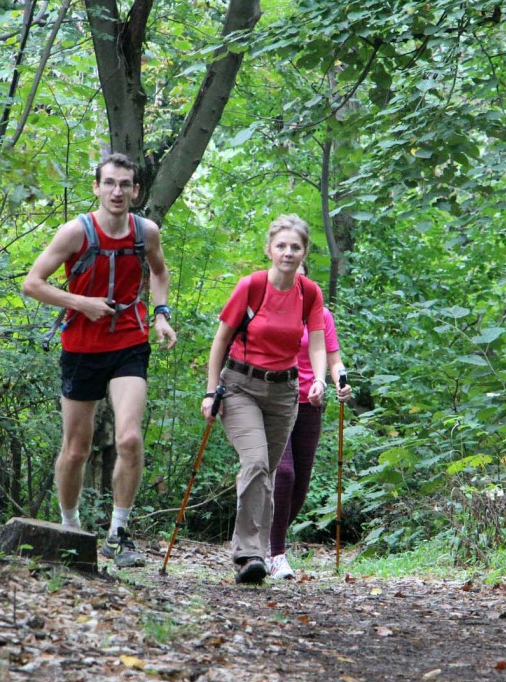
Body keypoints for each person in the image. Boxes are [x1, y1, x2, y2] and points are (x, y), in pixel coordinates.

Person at [23, 153, 177, 567]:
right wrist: (81, 302)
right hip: (81, 348)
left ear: (136, 191)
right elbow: (32, 283)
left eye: (125, 184)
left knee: (129, 439)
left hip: (128, 342)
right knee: (76, 449)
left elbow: (159, 273)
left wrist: (161, 315)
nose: (117, 191)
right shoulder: (75, 232)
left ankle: (119, 533)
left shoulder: (146, 232)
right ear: (96, 187)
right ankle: (70, 528)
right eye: (109, 183)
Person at [202, 215, 328, 585]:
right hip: (241, 385)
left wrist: (318, 380)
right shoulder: (252, 286)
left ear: (304, 251)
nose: (288, 253)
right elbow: (220, 340)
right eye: (282, 246)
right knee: (255, 461)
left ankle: (265, 552)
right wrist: (212, 391)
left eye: (295, 247)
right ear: (269, 249)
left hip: (285, 391)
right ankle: (248, 554)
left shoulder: (309, 292)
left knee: (269, 473)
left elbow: (318, 341)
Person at [267, 262, 353, 580]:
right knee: (284, 474)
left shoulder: (320, 314)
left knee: (300, 487)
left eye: (300, 272)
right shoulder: (267, 308)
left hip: (309, 402)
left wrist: (338, 382)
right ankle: (275, 554)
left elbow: (333, 358)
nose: (294, 278)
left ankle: (264, 539)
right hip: (273, 401)